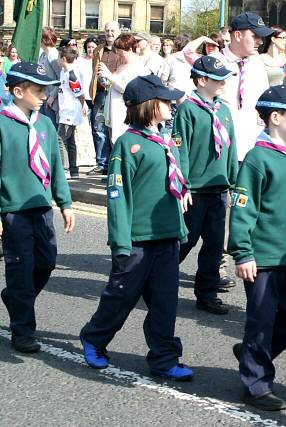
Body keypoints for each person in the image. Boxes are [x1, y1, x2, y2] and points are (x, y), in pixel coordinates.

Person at [79, 74, 193, 381]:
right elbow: (119, 197)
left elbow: (175, 189)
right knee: (120, 298)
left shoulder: (166, 141)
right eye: (166, 100)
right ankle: (94, 338)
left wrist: (181, 229)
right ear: (149, 106)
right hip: (138, 240)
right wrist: (121, 243)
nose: (172, 104)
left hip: (167, 237)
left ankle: (164, 359)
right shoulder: (128, 145)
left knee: (165, 304)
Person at [228, 85, 286, 411]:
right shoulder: (258, 158)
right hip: (263, 257)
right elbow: (242, 208)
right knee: (261, 320)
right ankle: (256, 383)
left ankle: (253, 353)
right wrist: (242, 251)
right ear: (276, 118)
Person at [0, 61, 75, 353]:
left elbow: (55, 167)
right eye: (38, 90)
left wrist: (65, 203)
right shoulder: (3, 124)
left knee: (46, 262)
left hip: (42, 208)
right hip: (14, 210)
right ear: (18, 91)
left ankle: (17, 297)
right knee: (20, 269)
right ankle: (23, 331)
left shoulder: (43, 123)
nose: (44, 95)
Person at [173, 56, 238, 316]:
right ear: (202, 80)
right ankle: (155, 279)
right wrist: (183, 185)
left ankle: (207, 293)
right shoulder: (188, 109)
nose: (223, 82)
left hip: (219, 188)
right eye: (218, 78)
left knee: (214, 244)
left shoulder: (223, 109)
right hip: (196, 189)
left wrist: (233, 179)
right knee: (184, 240)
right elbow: (181, 149)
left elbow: (231, 147)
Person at [215, 12, 273, 161]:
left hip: (252, 148)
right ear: (238, 35)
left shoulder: (257, 64)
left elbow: (264, 103)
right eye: (255, 36)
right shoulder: (215, 63)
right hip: (220, 149)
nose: (261, 42)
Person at [101, 34, 149, 145]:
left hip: (125, 113)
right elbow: (113, 84)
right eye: (117, 52)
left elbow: (129, 90)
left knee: (122, 145)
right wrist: (105, 80)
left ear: (130, 50)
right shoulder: (122, 65)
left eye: (120, 52)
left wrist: (110, 76)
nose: (118, 55)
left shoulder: (138, 67)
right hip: (113, 111)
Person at [88, 21, 121, 176]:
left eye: (113, 30)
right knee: (98, 128)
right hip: (101, 94)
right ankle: (102, 164)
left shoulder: (123, 50)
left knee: (113, 129)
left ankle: (114, 165)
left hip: (116, 93)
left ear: (119, 31)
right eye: (107, 30)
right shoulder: (99, 50)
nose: (110, 33)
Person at [57, 46, 88, 179]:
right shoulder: (63, 72)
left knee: (60, 139)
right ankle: (73, 170)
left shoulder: (71, 74)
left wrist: (83, 105)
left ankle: (64, 169)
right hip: (65, 110)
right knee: (70, 140)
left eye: (59, 57)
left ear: (63, 58)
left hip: (70, 112)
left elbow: (79, 93)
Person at [38, 27, 60, 127]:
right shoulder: (43, 55)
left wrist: (52, 96)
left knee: (51, 128)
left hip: (51, 100)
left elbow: (61, 78)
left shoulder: (54, 55)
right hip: (43, 96)